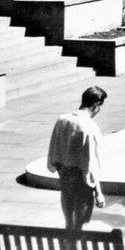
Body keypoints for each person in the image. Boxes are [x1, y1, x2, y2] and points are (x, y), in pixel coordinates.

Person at [47, 86, 107, 232]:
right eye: (100, 108)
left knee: (69, 223)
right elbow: (92, 164)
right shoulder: (90, 126)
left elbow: (55, 153)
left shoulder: (62, 120)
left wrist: (63, 174)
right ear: (95, 105)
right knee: (79, 226)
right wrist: (98, 193)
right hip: (82, 183)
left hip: (65, 180)